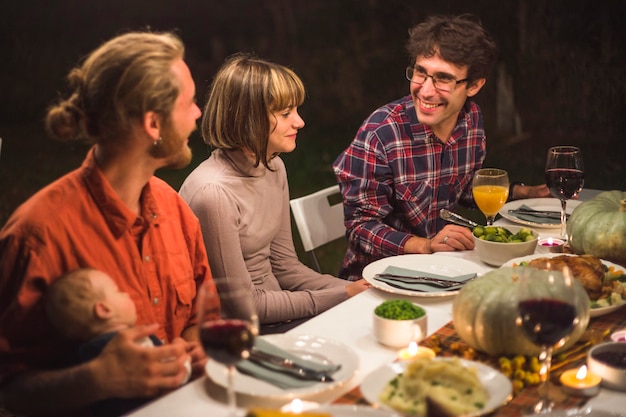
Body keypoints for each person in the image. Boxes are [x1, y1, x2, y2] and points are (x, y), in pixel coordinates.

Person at [0, 31, 215, 416]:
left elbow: (203, 317)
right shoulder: (37, 235)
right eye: (190, 102)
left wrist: (197, 344)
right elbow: (8, 390)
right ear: (154, 123)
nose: (198, 113)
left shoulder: (174, 208)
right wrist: (97, 380)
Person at [333, 14, 550, 281]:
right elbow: (360, 227)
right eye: (421, 72)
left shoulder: (471, 120)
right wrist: (425, 245)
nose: (425, 91)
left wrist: (525, 193)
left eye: (443, 79)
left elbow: (464, 188)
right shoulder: (381, 134)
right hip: (381, 278)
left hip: (445, 268)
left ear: (474, 85)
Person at [179, 53, 370, 334]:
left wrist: (364, 290)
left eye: (296, 110)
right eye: (285, 114)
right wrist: (343, 295)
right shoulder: (214, 194)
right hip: (238, 336)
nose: (299, 122)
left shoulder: (273, 166)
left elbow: (286, 266)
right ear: (248, 119)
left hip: (280, 313)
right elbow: (247, 310)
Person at [45, 268, 191, 417]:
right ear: (104, 310)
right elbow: (173, 374)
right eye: (118, 291)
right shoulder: (132, 344)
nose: (126, 294)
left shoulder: (81, 356)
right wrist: (181, 350)